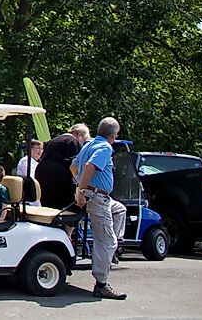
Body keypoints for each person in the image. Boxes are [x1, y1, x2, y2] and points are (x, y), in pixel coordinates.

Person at [71, 117, 128, 300]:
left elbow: (73, 167)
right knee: (106, 241)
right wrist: (82, 190)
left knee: (119, 209)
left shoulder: (88, 144)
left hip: (96, 195)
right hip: (96, 197)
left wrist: (80, 187)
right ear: (114, 135)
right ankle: (101, 284)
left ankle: (116, 243)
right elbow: (89, 166)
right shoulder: (105, 148)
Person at [35, 127, 81, 210]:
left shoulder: (52, 141)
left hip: (41, 172)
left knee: (48, 208)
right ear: (79, 135)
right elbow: (74, 166)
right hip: (59, 175)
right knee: (71, 206)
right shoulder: (73, 141)